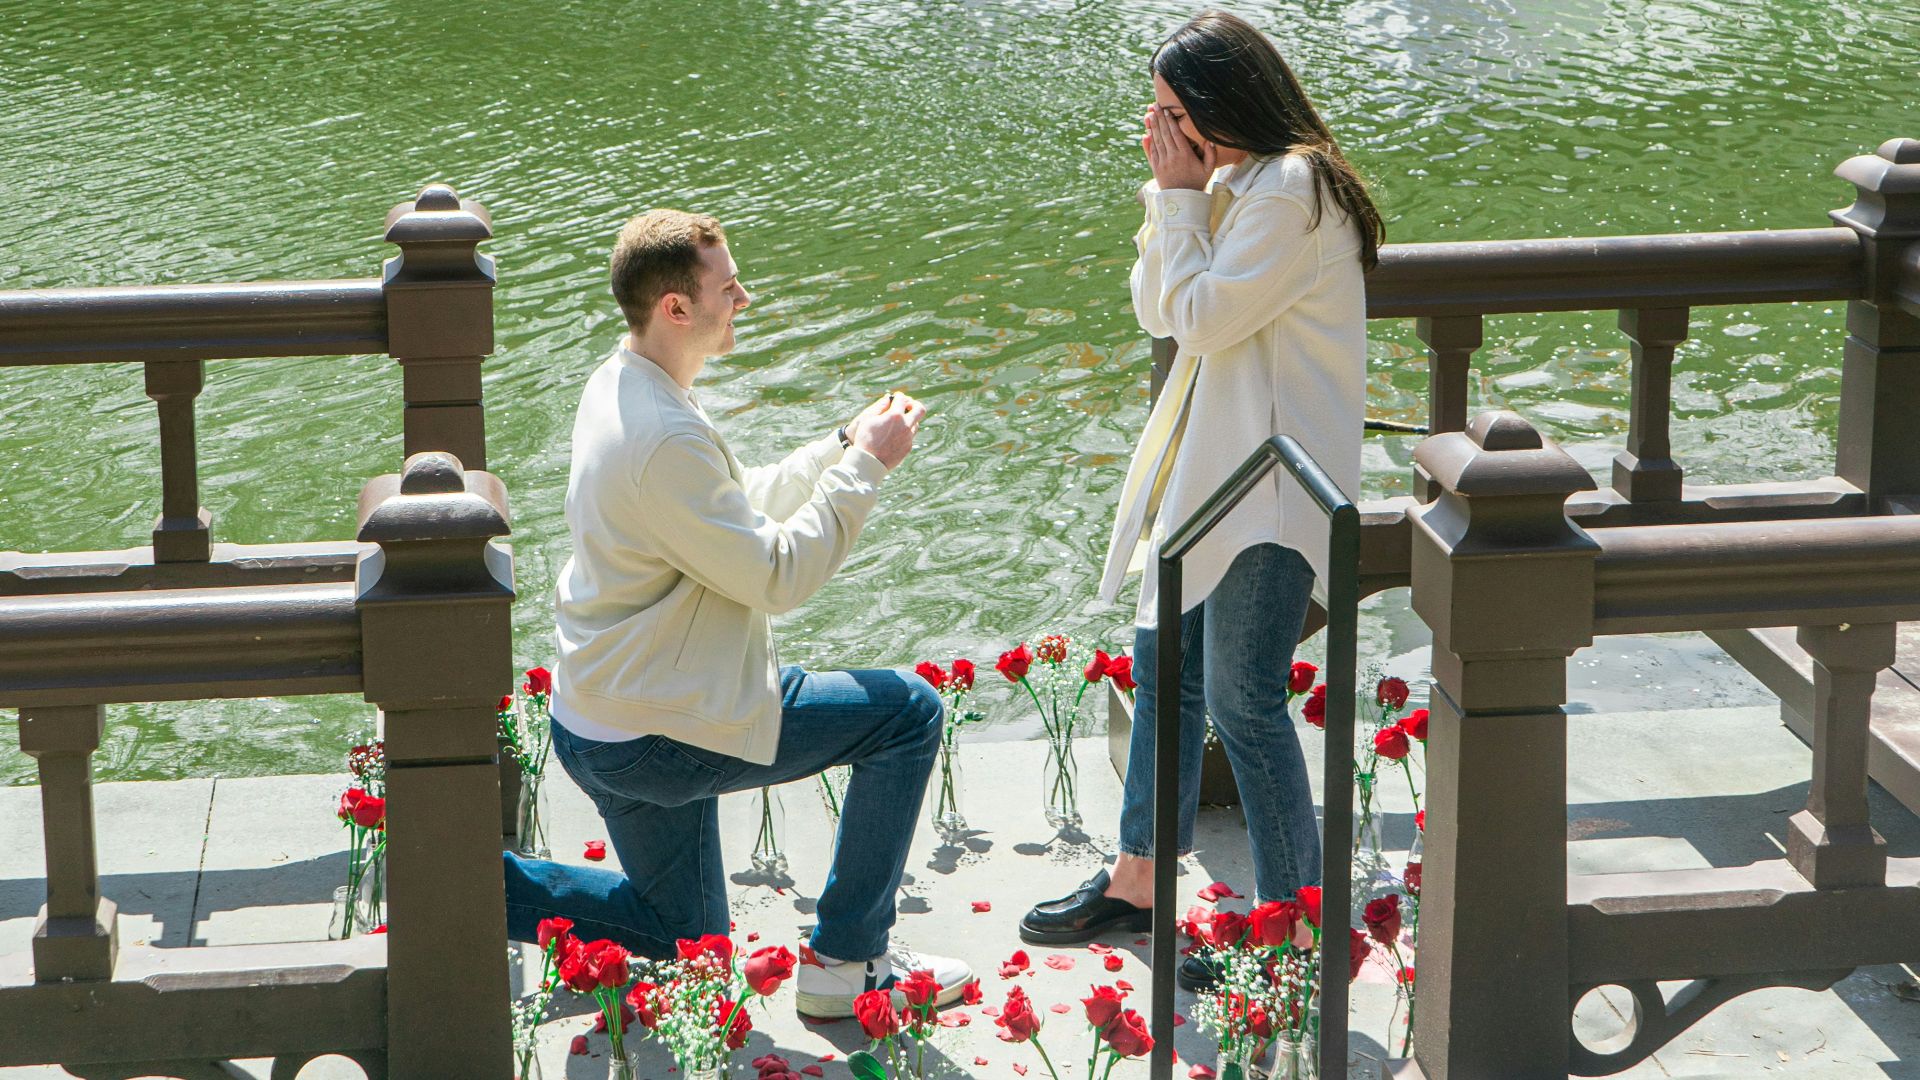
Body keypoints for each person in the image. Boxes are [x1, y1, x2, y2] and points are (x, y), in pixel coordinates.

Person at [502, 208, 972, 1017]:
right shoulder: (659, 433)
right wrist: (867, 467)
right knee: (908, 713)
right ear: (676, 309)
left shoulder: (627, 380)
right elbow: (778, 575)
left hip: (605, 715)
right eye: (728, 287)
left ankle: (469, 889)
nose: (744, 298)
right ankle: (846, 963)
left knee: (689, 940)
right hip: (660, 731)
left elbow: (730, 507)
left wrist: (837, 445)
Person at [1018, 10, 1384, 991]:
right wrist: (1173, 198)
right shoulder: (1238, 183)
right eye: (1160, 116)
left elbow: (1204, 321)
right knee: (1163, 668)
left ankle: (1298, 935)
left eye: (1181, 115)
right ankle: (1138, 882)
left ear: (1230, 101)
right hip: (1217, 478)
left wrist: (1182, 198)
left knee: (1244, 704)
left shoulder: (1293, 189)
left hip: (1271, 491)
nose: (1168, 135)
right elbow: (1156, 306)